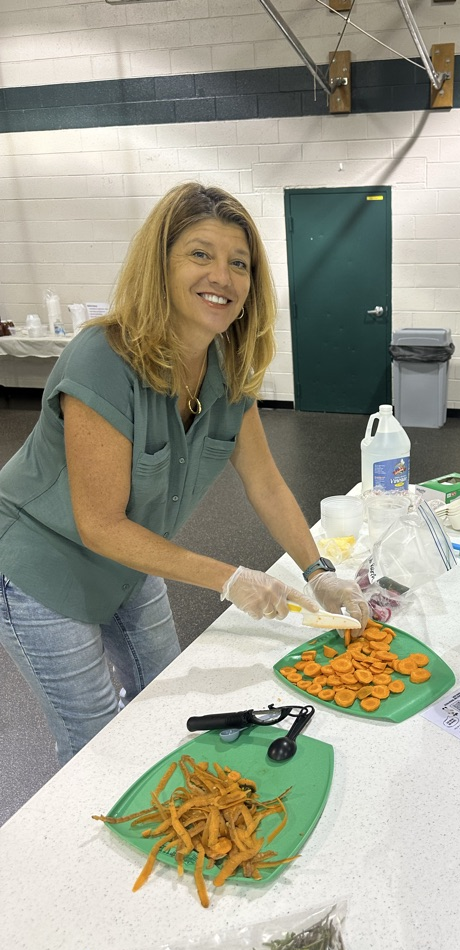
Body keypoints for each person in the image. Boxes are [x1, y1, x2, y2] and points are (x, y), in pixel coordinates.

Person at [0, 182, 369, 765]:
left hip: (133, 556)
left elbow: (265, 481)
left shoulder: (228, 363)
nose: (222, 276)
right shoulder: (104, 357)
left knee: (167, 699)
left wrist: (319, 572)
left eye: (239, 263)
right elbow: (97, 523)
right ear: (160, 265)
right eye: (200, 254)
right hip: (45, 564)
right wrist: (230, 578)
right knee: (97, 736)